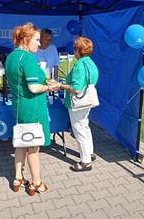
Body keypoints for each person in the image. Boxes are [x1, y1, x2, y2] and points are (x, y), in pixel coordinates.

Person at [5, 22, 56, 196]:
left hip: (19, 106)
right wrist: (50, 87)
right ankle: (36, 182)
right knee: (33, 147)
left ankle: (18, 177)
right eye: (36, 39)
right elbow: (34, 88)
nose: (39, 43)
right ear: (26, 39)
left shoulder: (12, 56)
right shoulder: (27, 58)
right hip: (32, 107)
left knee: (21, 142)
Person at [59, 37, 99, 172]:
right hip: (88, 100)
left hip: (78, 102)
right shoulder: (91, 63)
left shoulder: (79, 65)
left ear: (78, 50)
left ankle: (86, 162)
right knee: (85, 127)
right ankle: (90, 153)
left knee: (79, 130)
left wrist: (61, 86)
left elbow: (76, 89)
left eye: (75, 48)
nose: (73, 50)